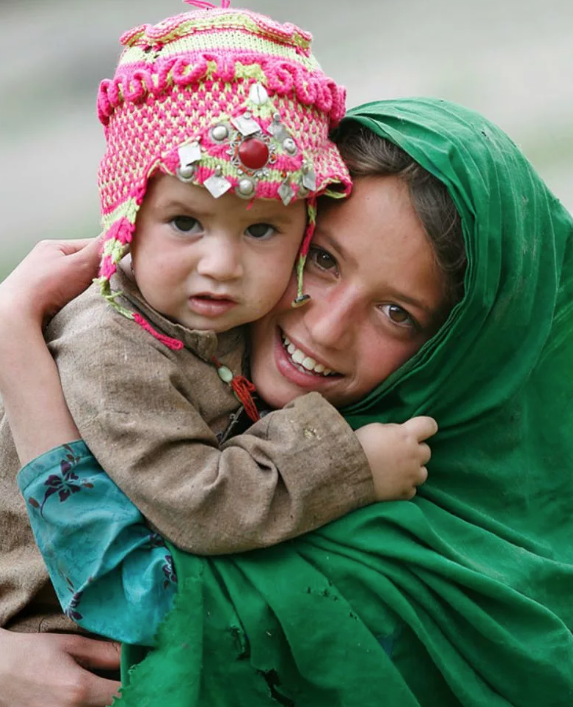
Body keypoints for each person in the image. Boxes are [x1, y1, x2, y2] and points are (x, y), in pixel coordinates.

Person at [6, 95, 573, 706]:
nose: (325, 329)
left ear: (460, 351)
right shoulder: (158, 351)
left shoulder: (399, 526)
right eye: (323, 260)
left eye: (396, 313)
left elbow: (140, 601)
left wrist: (15, 346)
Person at [0, 0, 437, 660]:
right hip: (59, 630)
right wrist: (349, 464)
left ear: (301, 232)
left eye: (261, 230)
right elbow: (201, 505)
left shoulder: (204, 317)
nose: (220, 266)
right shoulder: (109, 347)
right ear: (127, 214)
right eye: (184, 222)